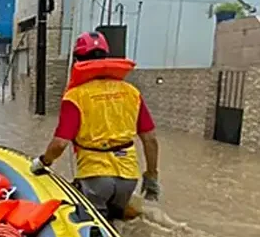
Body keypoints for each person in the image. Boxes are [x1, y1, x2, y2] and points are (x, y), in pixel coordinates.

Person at [30, 31, 161, 221]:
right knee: (118, 224)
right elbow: (150, 140)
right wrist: (151, 175)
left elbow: (59, 144)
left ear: (77, 60)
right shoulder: (131, 92)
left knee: (95, 228)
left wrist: (43, 162)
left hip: (95, 178)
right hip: (129, 177)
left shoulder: (75, 96)